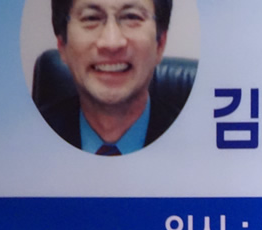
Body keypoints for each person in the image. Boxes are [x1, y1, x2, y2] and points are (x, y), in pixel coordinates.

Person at [40, 0, 178, 155]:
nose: (112, 43)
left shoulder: (192, 140)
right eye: (91, 18)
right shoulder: (29, 140)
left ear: (160, 44)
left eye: (131, 17)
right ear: (62, 45)